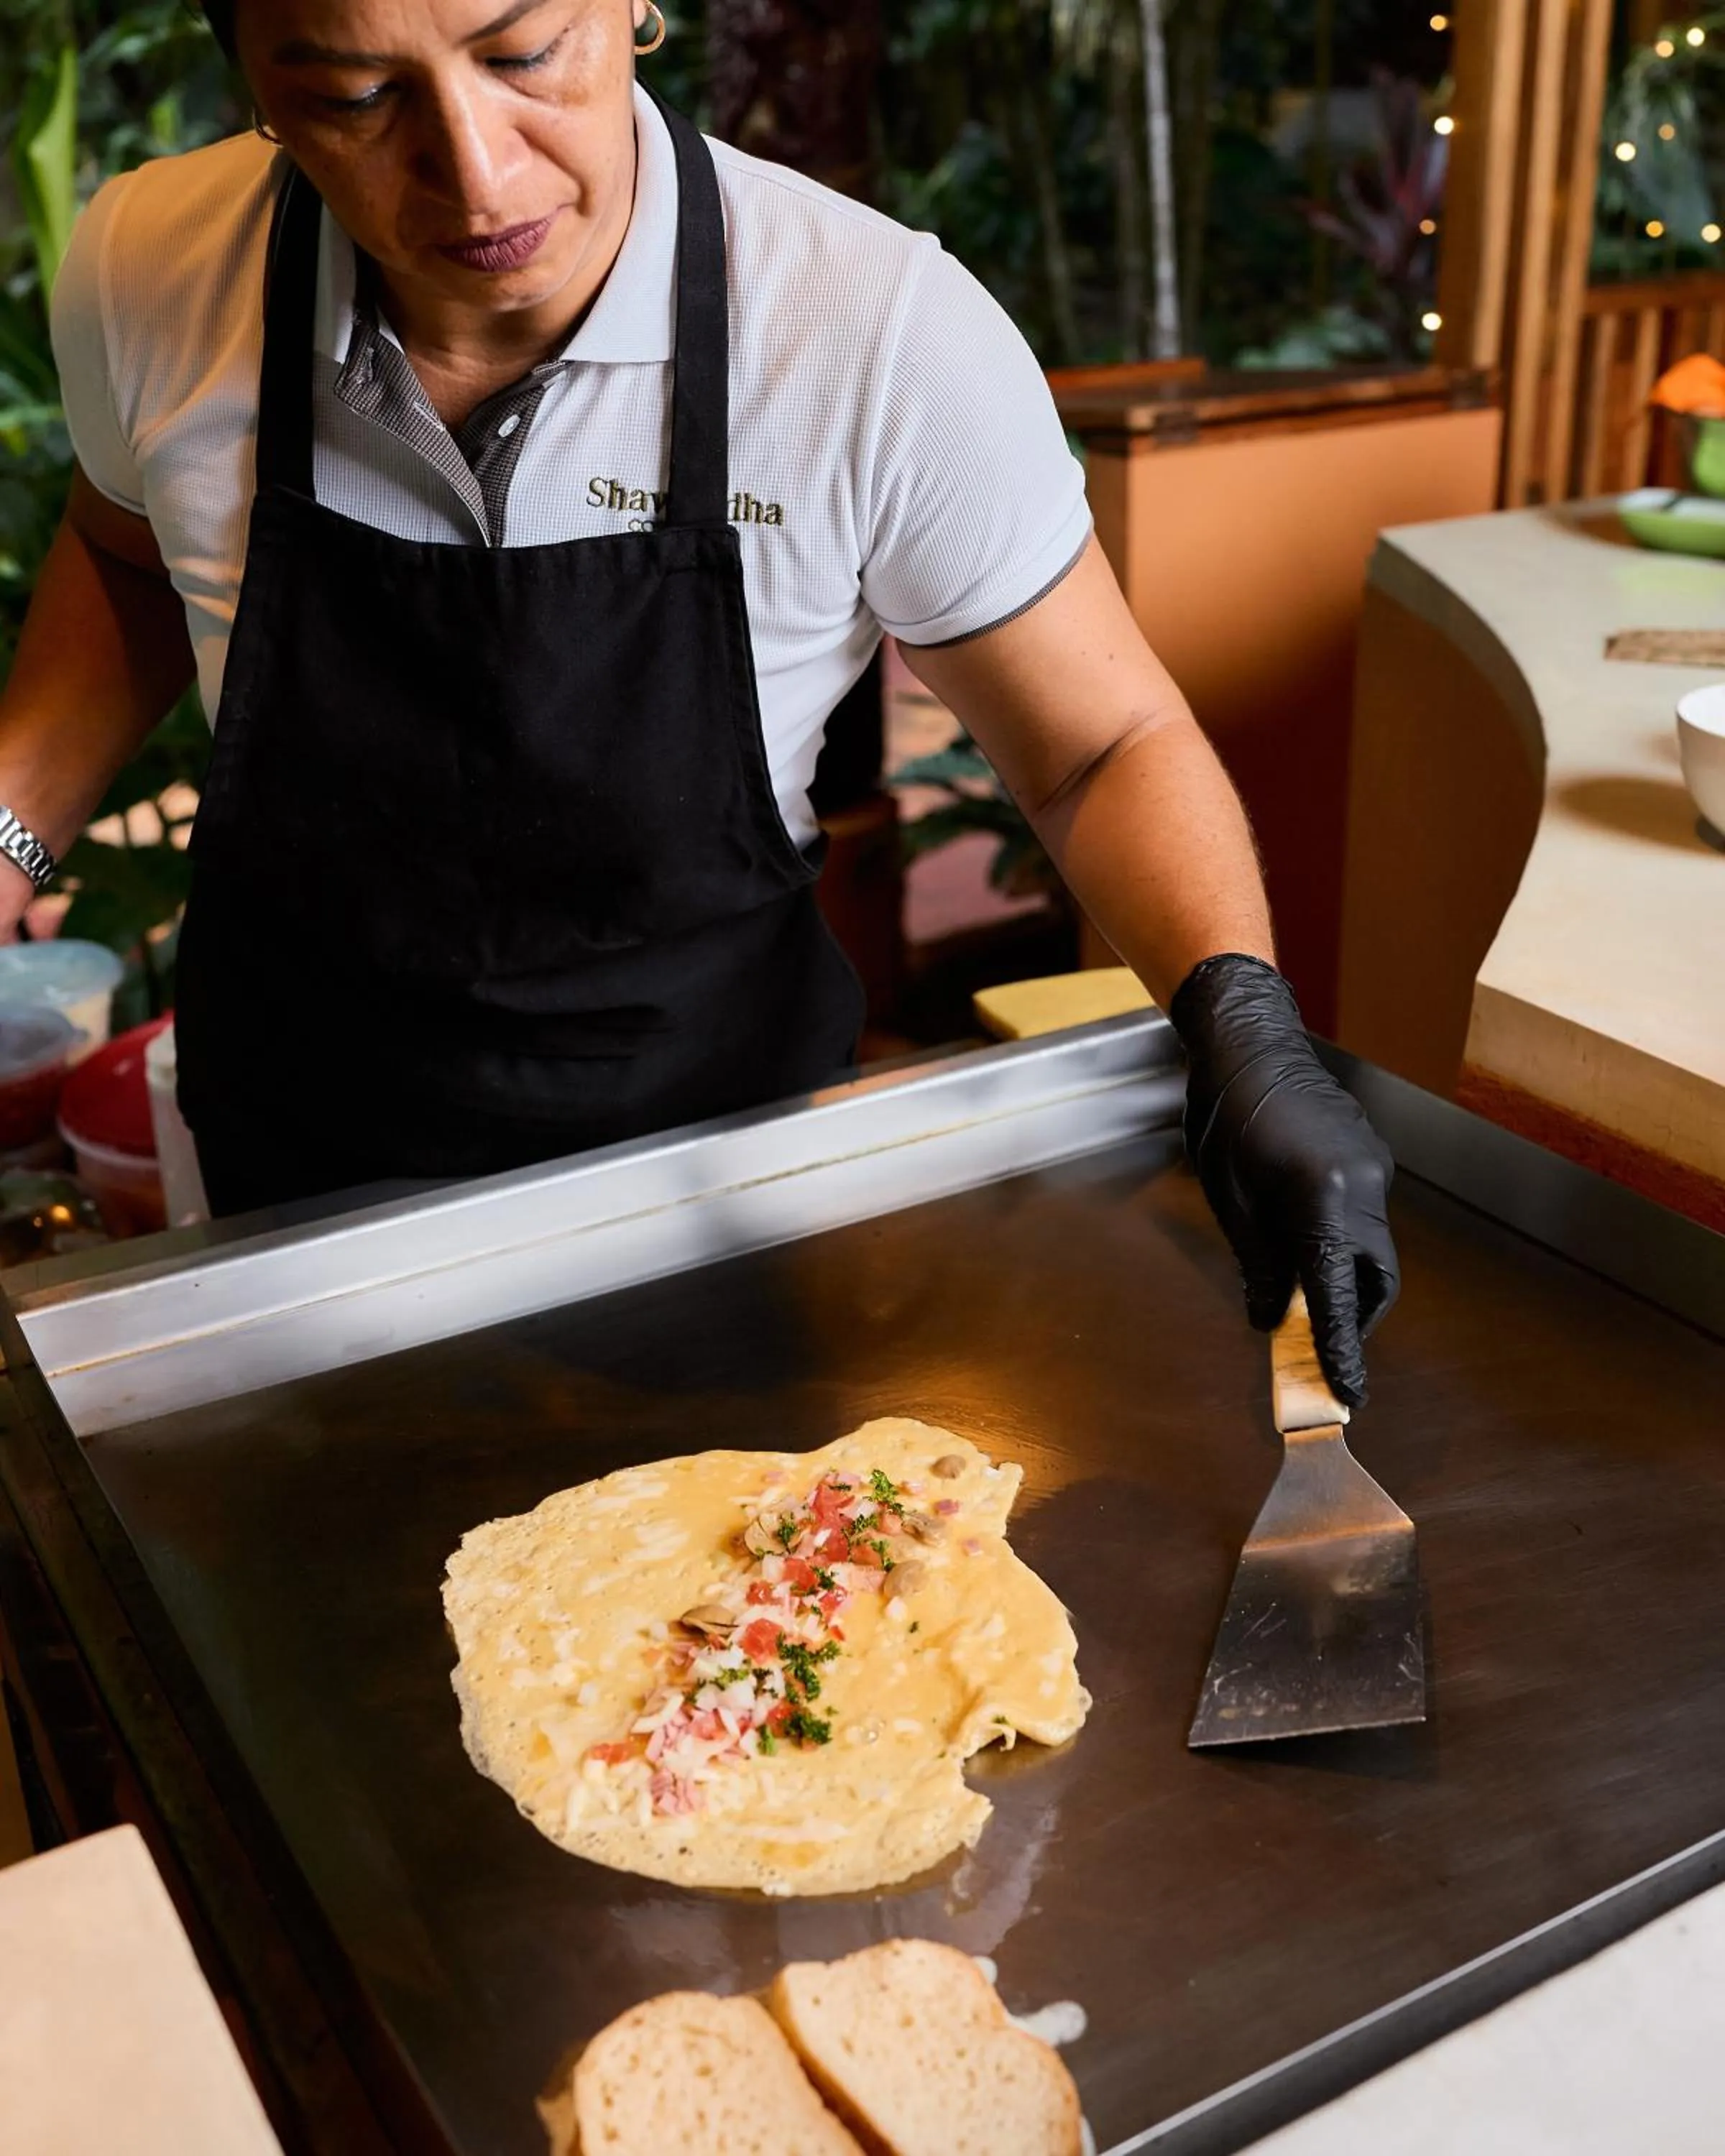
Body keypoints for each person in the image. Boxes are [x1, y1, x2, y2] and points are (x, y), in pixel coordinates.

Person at [1, 0, 1397, 1399]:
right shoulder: (151, 270)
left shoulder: (872, 337)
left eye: (521, 54)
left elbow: (1098, 743)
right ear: (253, 82)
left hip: (722, 1209)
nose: (479, 175)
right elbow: (124, 554)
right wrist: (9, 844)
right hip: (294, 1216)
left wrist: (1242, 1026)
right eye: (358, 97)